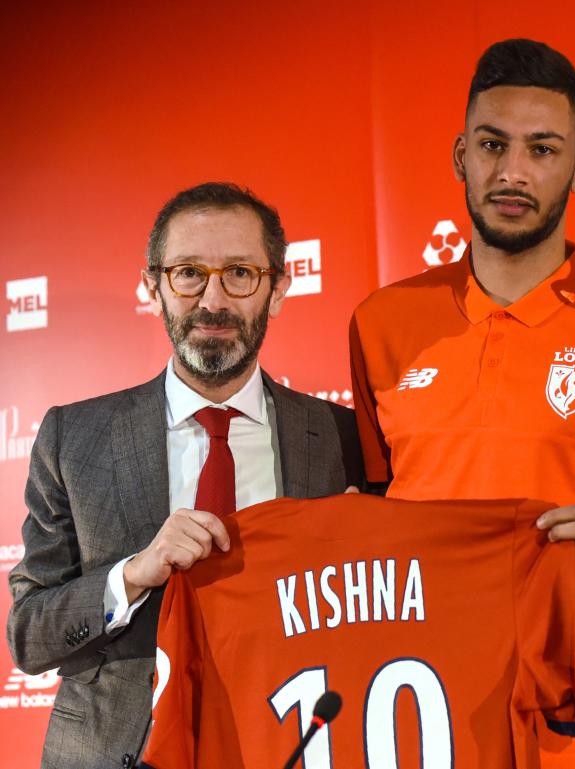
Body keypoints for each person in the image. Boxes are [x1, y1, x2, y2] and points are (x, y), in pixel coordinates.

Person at [350, 39, 575, 767]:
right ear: (459, 155)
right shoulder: (381, 322)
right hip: (418, 706)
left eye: (543, 149)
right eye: (492, 144)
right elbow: (374, 508)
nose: (512, 171)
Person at [7, 182, 363, 769]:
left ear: (277, 290)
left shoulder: (343, 440)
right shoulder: (74, 438)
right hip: (116, 751)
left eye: (240, 273)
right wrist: (132, 576)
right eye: (189, 273)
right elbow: (29, 636)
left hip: (298, 744)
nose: (213, 300)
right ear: (153, 287)